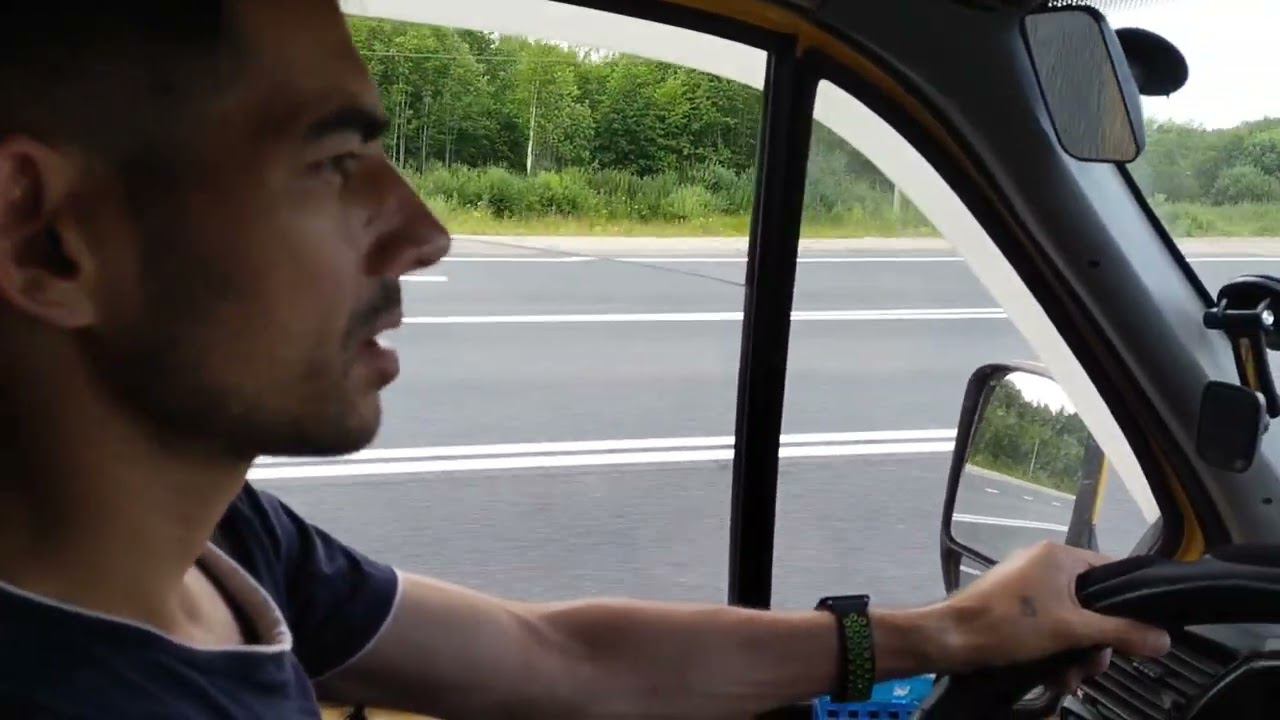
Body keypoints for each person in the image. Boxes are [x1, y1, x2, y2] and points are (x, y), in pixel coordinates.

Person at [0, 1, 1170, 718]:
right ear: (46, 239)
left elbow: (553, 658)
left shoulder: (220, 551)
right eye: (331, 163)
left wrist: (943, 635)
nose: (425, 233)